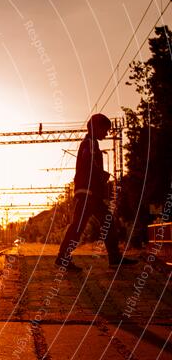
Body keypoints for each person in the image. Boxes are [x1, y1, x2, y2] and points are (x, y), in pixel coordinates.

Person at [55, 113, 136, 271]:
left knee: (101, 222)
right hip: (88, 193)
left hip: (90, 193)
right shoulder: (89, 143)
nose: (106, 133)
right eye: (105, 130)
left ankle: (113, 257)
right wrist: (102, 175)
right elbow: (90, 163)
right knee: (81, 226)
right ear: (95, 127)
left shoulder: (91, 143)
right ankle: (63, 258)